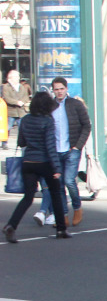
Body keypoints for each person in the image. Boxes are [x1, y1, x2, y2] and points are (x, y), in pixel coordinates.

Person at [3, 91, 69, 242]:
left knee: (28, 197)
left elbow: (21, 142)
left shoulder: (25, 119)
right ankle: (61, 229)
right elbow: (50, 147)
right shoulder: (48, 121)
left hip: (28, 162)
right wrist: (57, 168)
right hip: (44, 162)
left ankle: (11, 225)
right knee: (56, 194)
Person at [34, 77, 91, 228]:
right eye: (56, 89)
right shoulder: (50, 106)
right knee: (58, 185)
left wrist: (78, 146)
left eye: (61, 89)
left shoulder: (75, 104)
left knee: (69, 181)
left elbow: (86, 126)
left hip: (71, 149)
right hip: (55, 151)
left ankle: (77, 208)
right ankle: (63, 215)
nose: (59, 92)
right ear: (52, 90)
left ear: (66, 89)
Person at [3, 70, 31, 149]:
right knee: (7, 128)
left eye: (18, 76)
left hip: (21, 111)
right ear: (10, 78)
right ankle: (4, 142)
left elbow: (26, 96)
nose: (18, 78)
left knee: (22, 128)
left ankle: (22, 143)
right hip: (11, 111)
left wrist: (22, 101)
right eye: (16, 77)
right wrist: (16, 102)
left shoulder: (22, 86)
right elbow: (7, 98)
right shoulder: (6, 87)